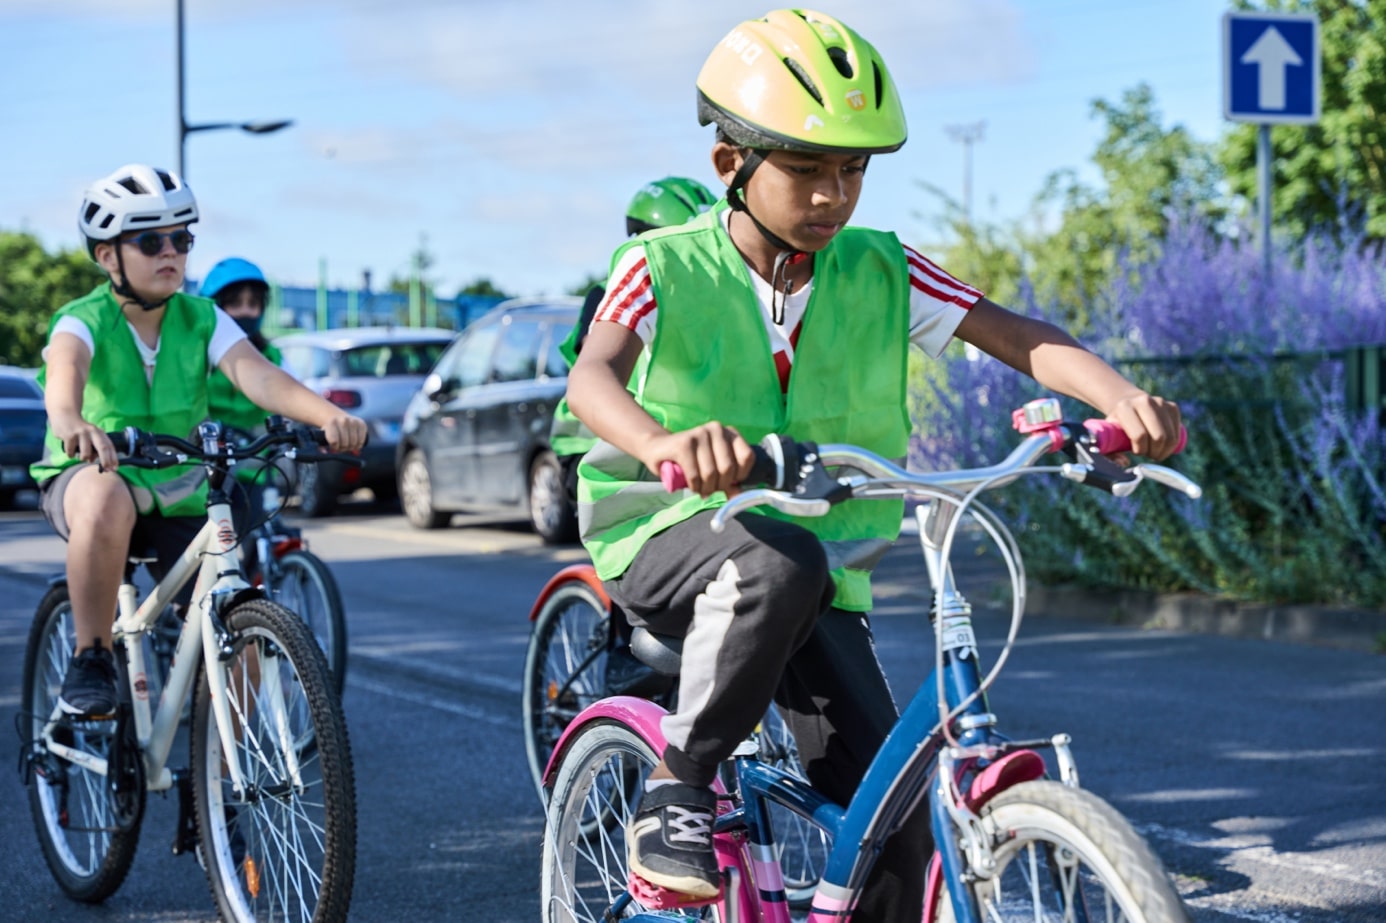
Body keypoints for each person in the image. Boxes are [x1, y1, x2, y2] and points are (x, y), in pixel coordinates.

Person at [566, 10, 1183, 919]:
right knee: (777, 558)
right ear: (730, 165)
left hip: (815, 572)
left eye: (853, 170)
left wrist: (1119, 398)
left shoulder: (882, 269)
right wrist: (663, 444)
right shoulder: (661, 264)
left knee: (897, 819)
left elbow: (1019, 335)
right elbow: (592, 377)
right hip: (667, 533)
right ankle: (678, 788)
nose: (834, 196)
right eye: (807, 169)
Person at [30, 163, 367, 720]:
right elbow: (66, 372)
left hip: (177, 488)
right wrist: (71, 422)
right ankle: (90, 655)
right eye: (150, 240)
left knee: (243, 649)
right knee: (104, 495)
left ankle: (215, 798)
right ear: (107, 255)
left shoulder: (202, 318)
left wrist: (327, 414)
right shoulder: (82, 318)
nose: (171, 252)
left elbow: (258, 376)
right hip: (96, 475)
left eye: (181, 238)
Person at [549, 176, 717, 694]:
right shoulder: (612, 294)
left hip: (661, 445)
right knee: (637, 531)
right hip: (590, 448)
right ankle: (626, 652)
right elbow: (600, 372)